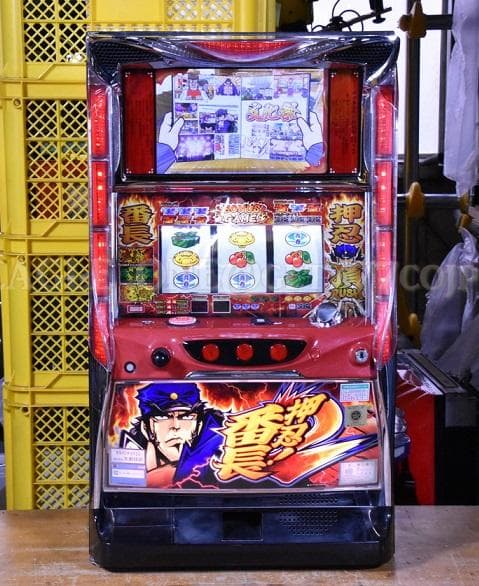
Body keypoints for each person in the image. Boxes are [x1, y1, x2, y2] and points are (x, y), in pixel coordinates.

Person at [120, 382, 223, 487]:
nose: (176, 426)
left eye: (186, 417)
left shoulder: (217, 459)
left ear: (198, 426)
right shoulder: (131, 459)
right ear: (146, 428)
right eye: (163, 417)